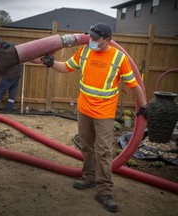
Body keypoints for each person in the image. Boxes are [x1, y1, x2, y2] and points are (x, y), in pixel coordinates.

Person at [41, 23, 148, 213]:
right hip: (84, 109)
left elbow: (135, 85)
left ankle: (104, 192)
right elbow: (66, 67)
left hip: (104, 114)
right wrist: (51, 64)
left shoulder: (119, 57)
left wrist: (144, 108)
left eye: (96, 39)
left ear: (107, 40)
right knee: (86, 145)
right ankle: (88, 178)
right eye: (90, 37)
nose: (91, 41)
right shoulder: (84, 52)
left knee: (104, 152)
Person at [0, 38, 22, 112]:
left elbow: (2, 65)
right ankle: (9, 109)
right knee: (12, 91)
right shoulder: (11, 45)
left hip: (9, 74)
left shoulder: (1, 52)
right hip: (17, 72)